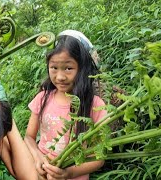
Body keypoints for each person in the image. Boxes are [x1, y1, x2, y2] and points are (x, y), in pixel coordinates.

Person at [24, 30, 107, 180]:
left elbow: (98, 158)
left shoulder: (95, 106)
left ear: (83, 69)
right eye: (54, 68)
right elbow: (29, 137)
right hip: (40, 174)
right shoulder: (42, 98)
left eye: (68, 68)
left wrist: (69, 173)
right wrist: (37, 158)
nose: (60, 77)